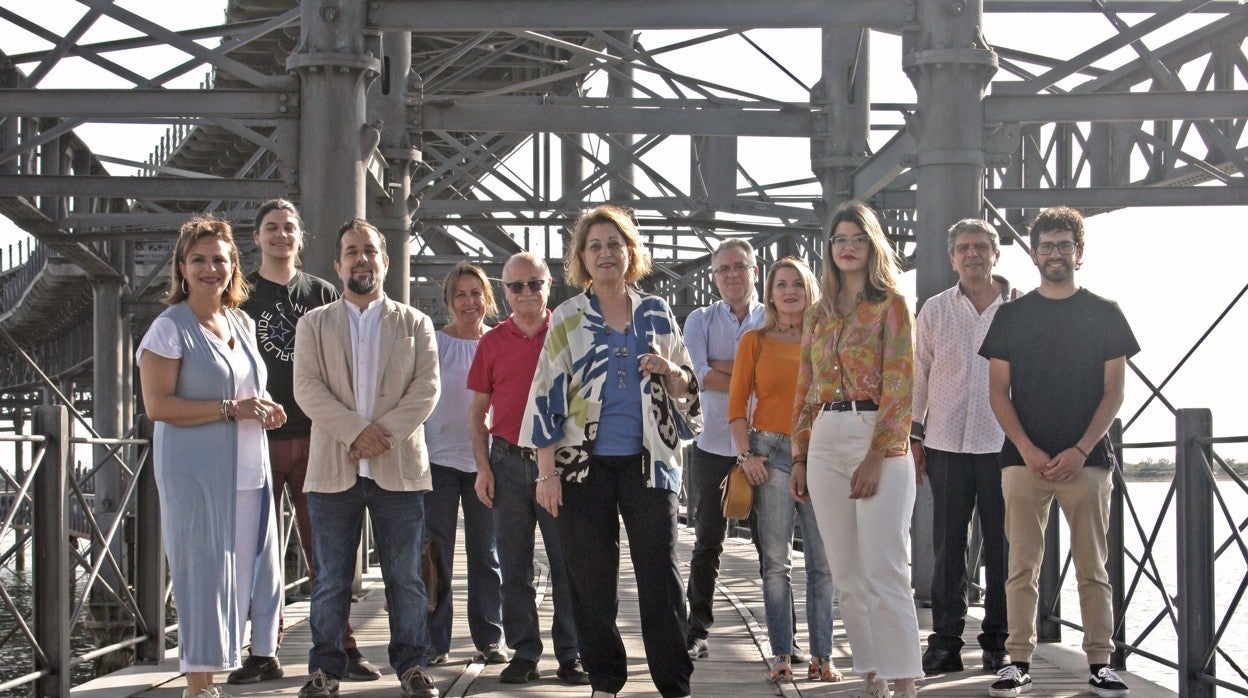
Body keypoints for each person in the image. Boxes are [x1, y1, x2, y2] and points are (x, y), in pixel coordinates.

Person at [522, 205, 700, 698]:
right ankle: (605, 679)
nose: (605, 253)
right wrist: (545, 473)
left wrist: (669, 370)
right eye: (595, 245)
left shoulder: (657, 311)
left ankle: (673, 683)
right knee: (590, 580)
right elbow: (545, 395)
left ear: (630, 252)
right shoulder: (566, 316)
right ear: (582, 257)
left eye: (614, 244)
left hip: (651, 464)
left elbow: (689, 387)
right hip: (582, 466)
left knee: (660, 577)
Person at [980, 206, 1138, 698]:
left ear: (1079, 253)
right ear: (1033, 254)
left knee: (1094, 567)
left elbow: (1114, 392)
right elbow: (997, 393)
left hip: (1086, 462)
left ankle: (1100, 663)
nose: (1054, 254)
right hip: (1023, 462)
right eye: (1046, 246)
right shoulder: (1011, 316)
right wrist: (1026, 448)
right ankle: (1018, 660)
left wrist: (1080, 448)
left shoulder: (1105, 313)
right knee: (1020, 566)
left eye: (1063, 246)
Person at [232, 199, 381, 684]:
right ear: (256, 238)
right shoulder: (240, 295)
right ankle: (262, 650)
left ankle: (342, 646)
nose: (281, 235)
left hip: (318, 438)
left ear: (301, 237)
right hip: (258, 438)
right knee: (259, 551)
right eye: (271, 228)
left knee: (328, 551)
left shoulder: (320, 292)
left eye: (289, 228)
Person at [137, 215, 286, 698]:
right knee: (202, 574)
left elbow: (245, 391)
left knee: (243, 577)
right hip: (196, 472)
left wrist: (263, 407)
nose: (209, 269)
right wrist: (230, 409)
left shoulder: (240, 320)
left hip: (248, 470)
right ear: (182, 267)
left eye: (219, 259)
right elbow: (158, 406)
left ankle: (224, 670)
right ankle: (198, 687)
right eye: (198, 260)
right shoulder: (169, 327)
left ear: (233, 266)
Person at [292, 219, 441, 698]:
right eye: (352, 252)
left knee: (406, 577)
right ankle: (325, 671)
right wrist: (357, 432)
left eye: (370, 251)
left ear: (385, 260)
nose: (362, 259)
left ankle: (413, 666)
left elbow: (426, 390)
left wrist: (382, 437)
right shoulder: (312, 323)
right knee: (331, 579)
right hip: (333, 469)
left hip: (398, 469)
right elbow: (307, 389)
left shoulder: (414, 323)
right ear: (338, 265)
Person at [790, 200, 922, 698]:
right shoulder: (819, 313)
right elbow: (805, 388)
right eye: (840, 239)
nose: (848, 248)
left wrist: (876, 455)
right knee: (845, 573)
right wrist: (799, 456)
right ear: (829, 249)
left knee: (885, 566)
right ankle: (873, 676)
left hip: (877, 436)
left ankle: (905, 680)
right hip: (825, 437)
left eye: (858, 239)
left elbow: (901, 384)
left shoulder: (892, 305)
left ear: (872, 245)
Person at [467, 252, 589, 686]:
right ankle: (524, 652)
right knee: (514, 565)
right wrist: (482, 468)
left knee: (566, 563)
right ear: (504, 292)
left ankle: (570, 654)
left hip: (559, 465)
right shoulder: (492, 343)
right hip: (506, 460)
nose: (525, 293)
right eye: (515, 286)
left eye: (533, 284)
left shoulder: (571, 333)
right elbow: (478, 412)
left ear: (549, 284)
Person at [726, 257, 841, 683]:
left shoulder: (826, 338)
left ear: (808, 288)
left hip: (820, 452)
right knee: (776, 562)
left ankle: (823, 656)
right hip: (769, 451)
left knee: (822, 563)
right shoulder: (754, 341)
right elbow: (737, 406)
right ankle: (781, 655)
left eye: (797, 283)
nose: (789, 291)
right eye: (780, 285)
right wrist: (746, 455)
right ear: (770, 294)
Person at [913, 218, 1013, 676]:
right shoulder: (934, 310)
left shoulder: (1020, 309)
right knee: (948, 547)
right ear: (951, 257)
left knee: (1003, 547)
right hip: (946, 443)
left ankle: (998, 642)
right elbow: (918, 375)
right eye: (963, 248)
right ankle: (945, 642)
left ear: (996, 253)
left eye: (980, 246)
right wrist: (913, 435)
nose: (972, 254)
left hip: (1004, 445)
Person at [681, 237, 765, 661]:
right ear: (714, 277)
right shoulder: (698, 319)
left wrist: (722, 367)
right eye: (723, 269)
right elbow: (698, 377)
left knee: (772, 547)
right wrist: (753, 371)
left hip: (766, 444)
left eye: (739, 267)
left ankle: (781, 638)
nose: (732, 275)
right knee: (707, 542)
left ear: (755, 271)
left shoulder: (774, 316)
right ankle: (696, 629)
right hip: (712, 443)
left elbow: (782, 374)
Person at [422, 262, 506, 666]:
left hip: (484, 462)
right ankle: (435, 641)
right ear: (449, 302)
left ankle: (489, 636)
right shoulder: (434, 342)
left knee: (485, 552)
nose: (469, 302)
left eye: (476, 293)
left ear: (487, 298)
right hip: (437, 459)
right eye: (460, 294)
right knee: (436, 553)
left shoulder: (498, 341)